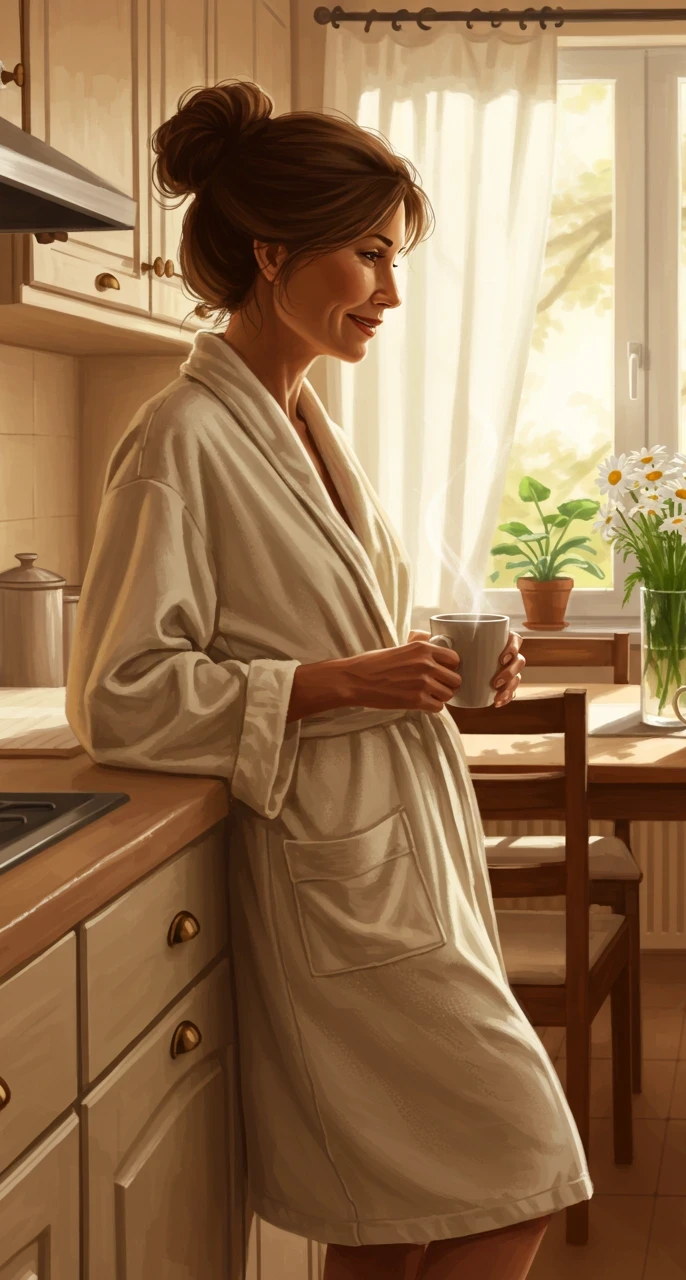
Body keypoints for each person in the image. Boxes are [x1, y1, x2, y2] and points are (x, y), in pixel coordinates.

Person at [65, 79, 592, 1280]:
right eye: (369, 255)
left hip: (393, 853)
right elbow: (123, 691)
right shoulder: (181, 436)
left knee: (386, 1208)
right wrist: (340, 685)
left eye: (393, 258)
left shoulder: (306, 423)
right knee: (517, 1172)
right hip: (332, 875)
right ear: (271, 253)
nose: (389, 292)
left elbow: (310, 622)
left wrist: (422, 664)